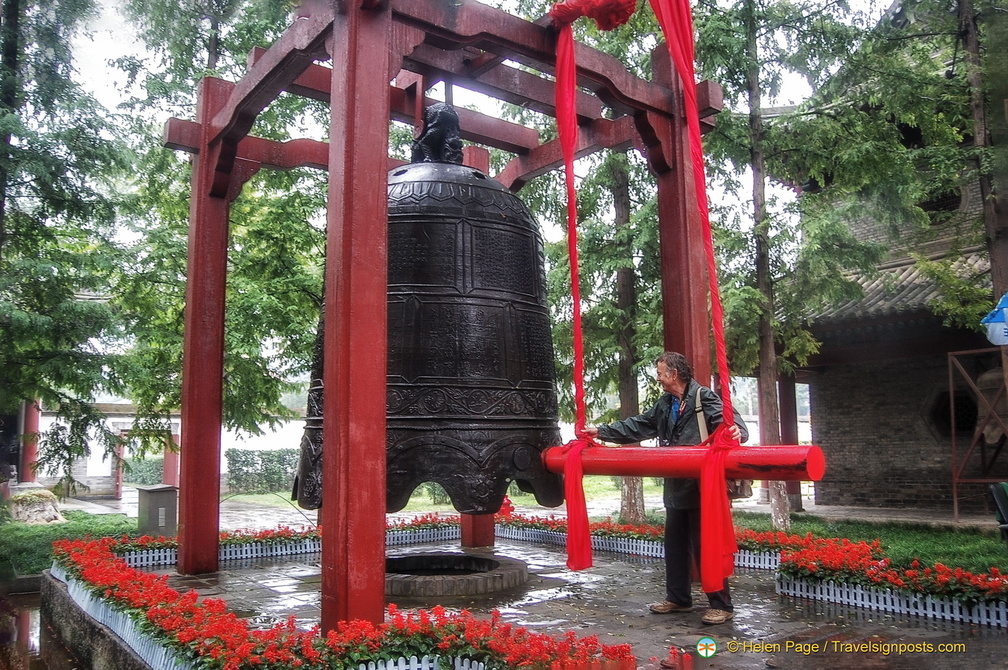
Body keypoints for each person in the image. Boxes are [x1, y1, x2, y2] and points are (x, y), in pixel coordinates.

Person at [584, 351, 748, 626]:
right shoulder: (666, 403)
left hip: (701, 487)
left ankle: (722, 605)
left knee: (706, 546)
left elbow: (732, 424)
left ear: (673, 374)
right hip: (675, 486)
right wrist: (601, 431)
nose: (658, 378)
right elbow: (639, 425)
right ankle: (679, 599)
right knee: (675, 546)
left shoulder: (703, 397)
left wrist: (736, 432)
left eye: (660, 373)